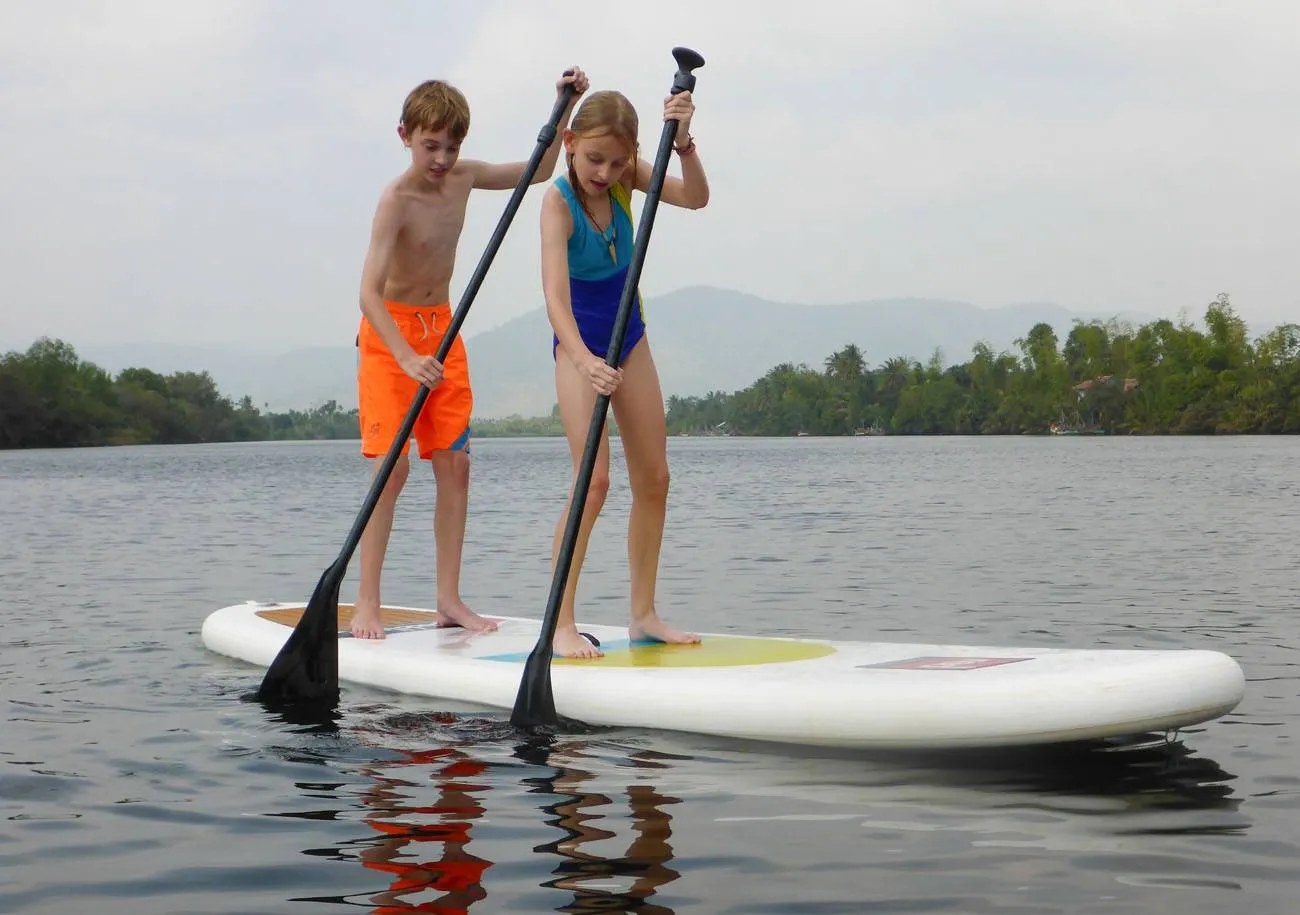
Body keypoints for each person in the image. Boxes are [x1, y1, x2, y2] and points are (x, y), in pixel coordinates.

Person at [352, 67, 590, 640]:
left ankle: (448, 600)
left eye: (451, 146)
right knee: (392, 471)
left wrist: (562, 106)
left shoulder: (463, 178)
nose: (440, 157)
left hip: (445, 329)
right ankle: (365, 603)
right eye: (430, 145)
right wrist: (407, 358)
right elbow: (368, 292)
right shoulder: (395, 200)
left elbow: (539, 171)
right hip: (391, 338)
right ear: (404, 135)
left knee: (455, 465)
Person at [539, 87, 710, 659]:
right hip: (578, 344)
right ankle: (560, 623)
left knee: (655, 479)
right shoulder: (557, 202)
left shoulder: (627, 177)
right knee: (594, 483)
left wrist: (683, 143)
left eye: (617, 161)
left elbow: (697, 199)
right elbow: (555, 301)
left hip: (629, 335)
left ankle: (642, 616)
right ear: (569, 145)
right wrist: (586, 362)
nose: (605, 172)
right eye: (594, 160)